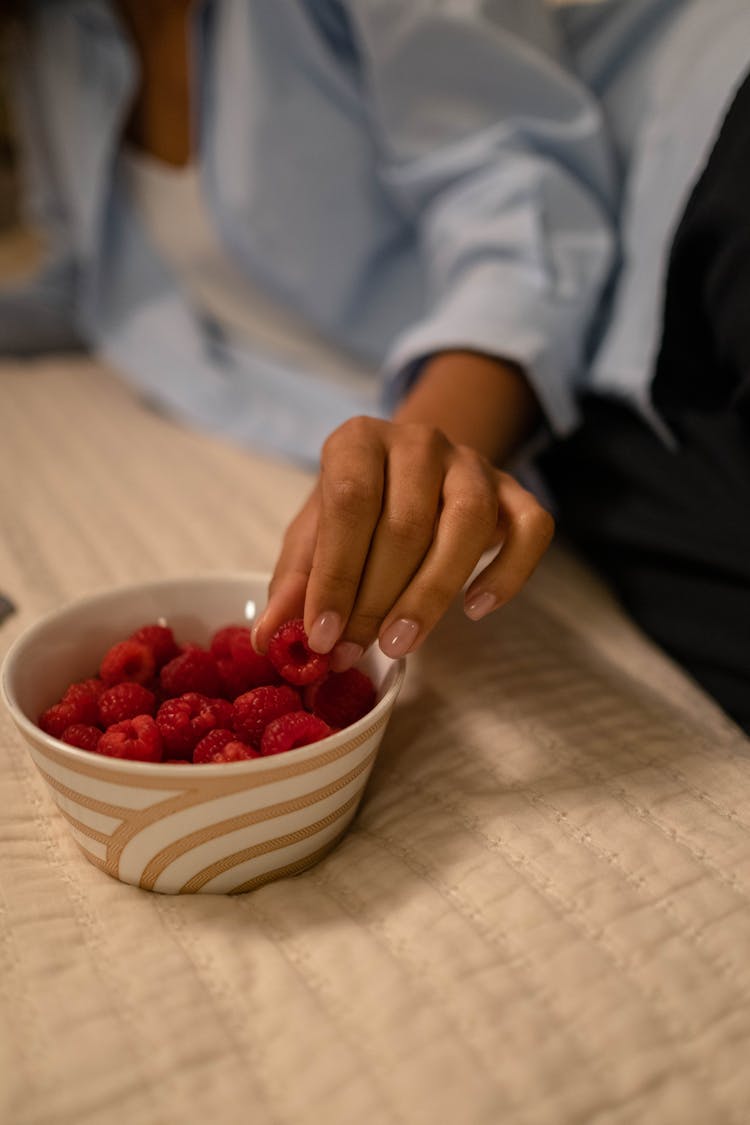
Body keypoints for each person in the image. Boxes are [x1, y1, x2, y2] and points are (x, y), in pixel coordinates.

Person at [1, 1, 748, 731]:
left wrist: (427, 440)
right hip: (580, 372)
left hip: (699, 148)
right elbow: (89, 277)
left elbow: (507, 194)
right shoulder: (52, 40)